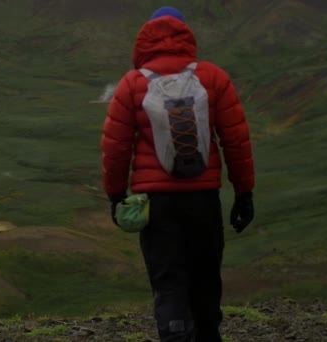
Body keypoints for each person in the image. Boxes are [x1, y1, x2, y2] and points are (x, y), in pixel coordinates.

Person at [101, 6, 255, 342]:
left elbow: (115, 147)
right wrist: (244, 193)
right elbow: (236, 141)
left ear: (146, 38)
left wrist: (115, 196)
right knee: (205, 277)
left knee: (169, 281)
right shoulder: (213, 78)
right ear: (185, 36)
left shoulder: (132, 83)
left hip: (156, 205)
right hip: (203, 198)